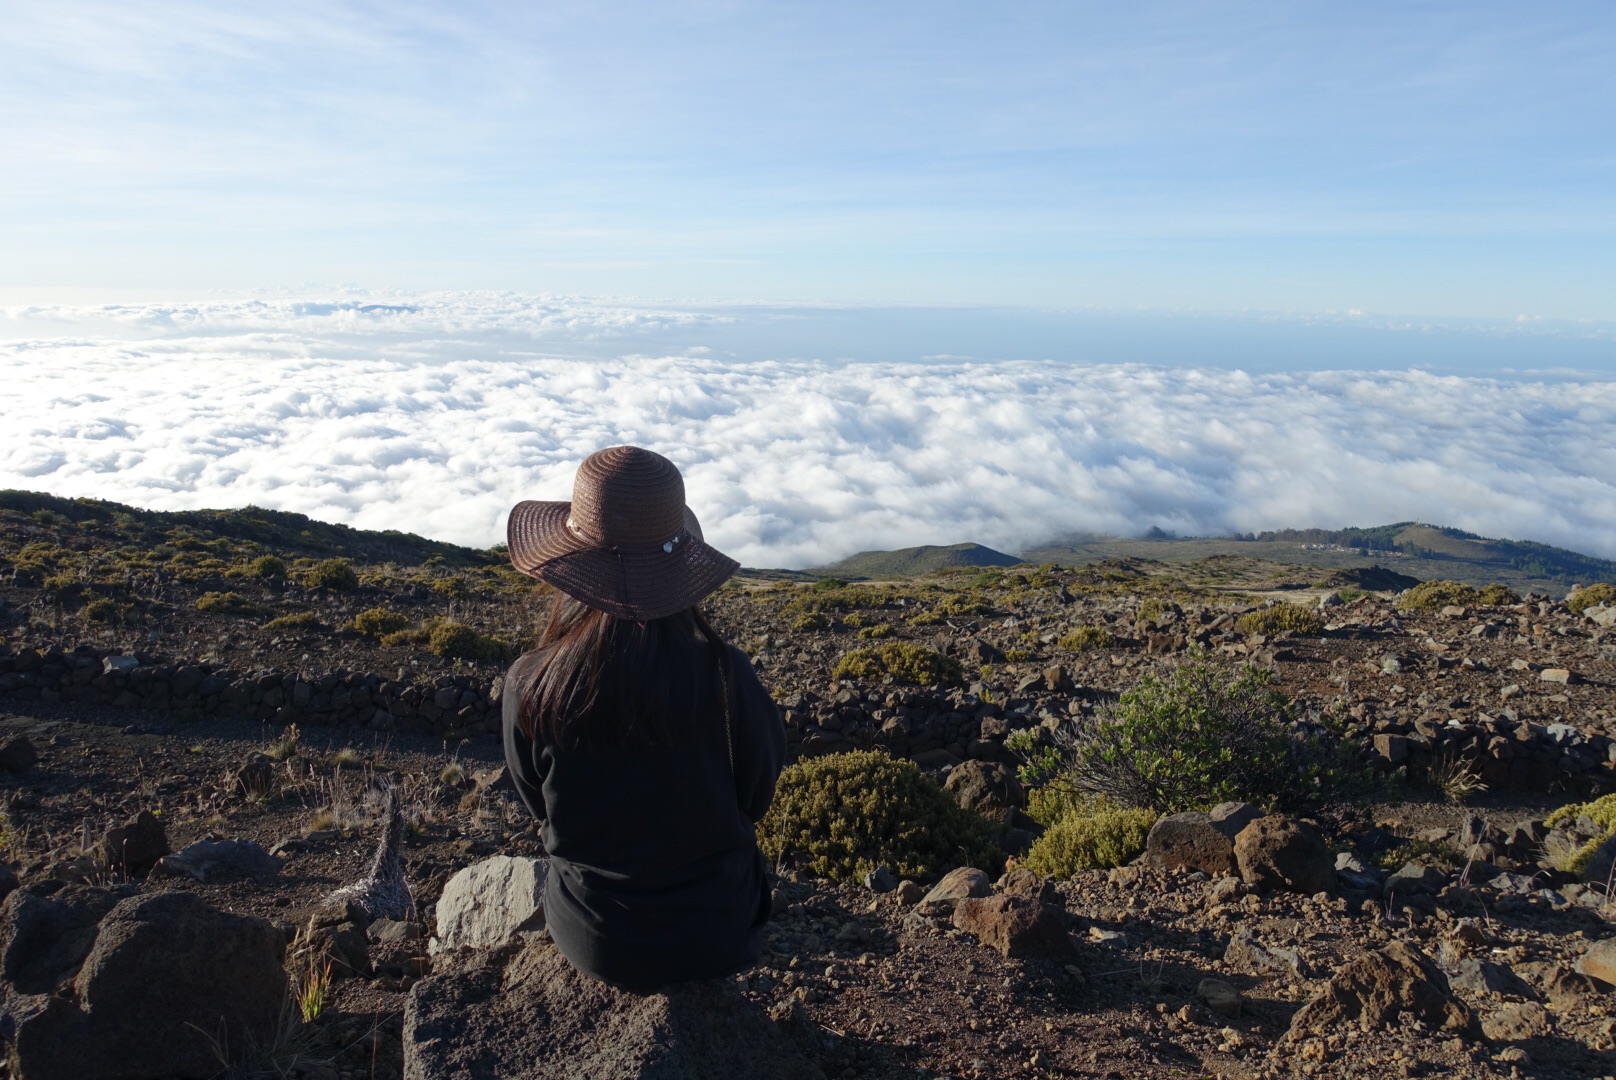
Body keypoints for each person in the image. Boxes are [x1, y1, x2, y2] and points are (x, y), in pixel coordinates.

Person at [500, 445, 786, 991]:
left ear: (569, 563)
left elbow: (539, 803)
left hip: (593, 936)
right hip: (715, 933)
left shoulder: (531, 683)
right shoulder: (728, 677)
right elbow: (756, 796)